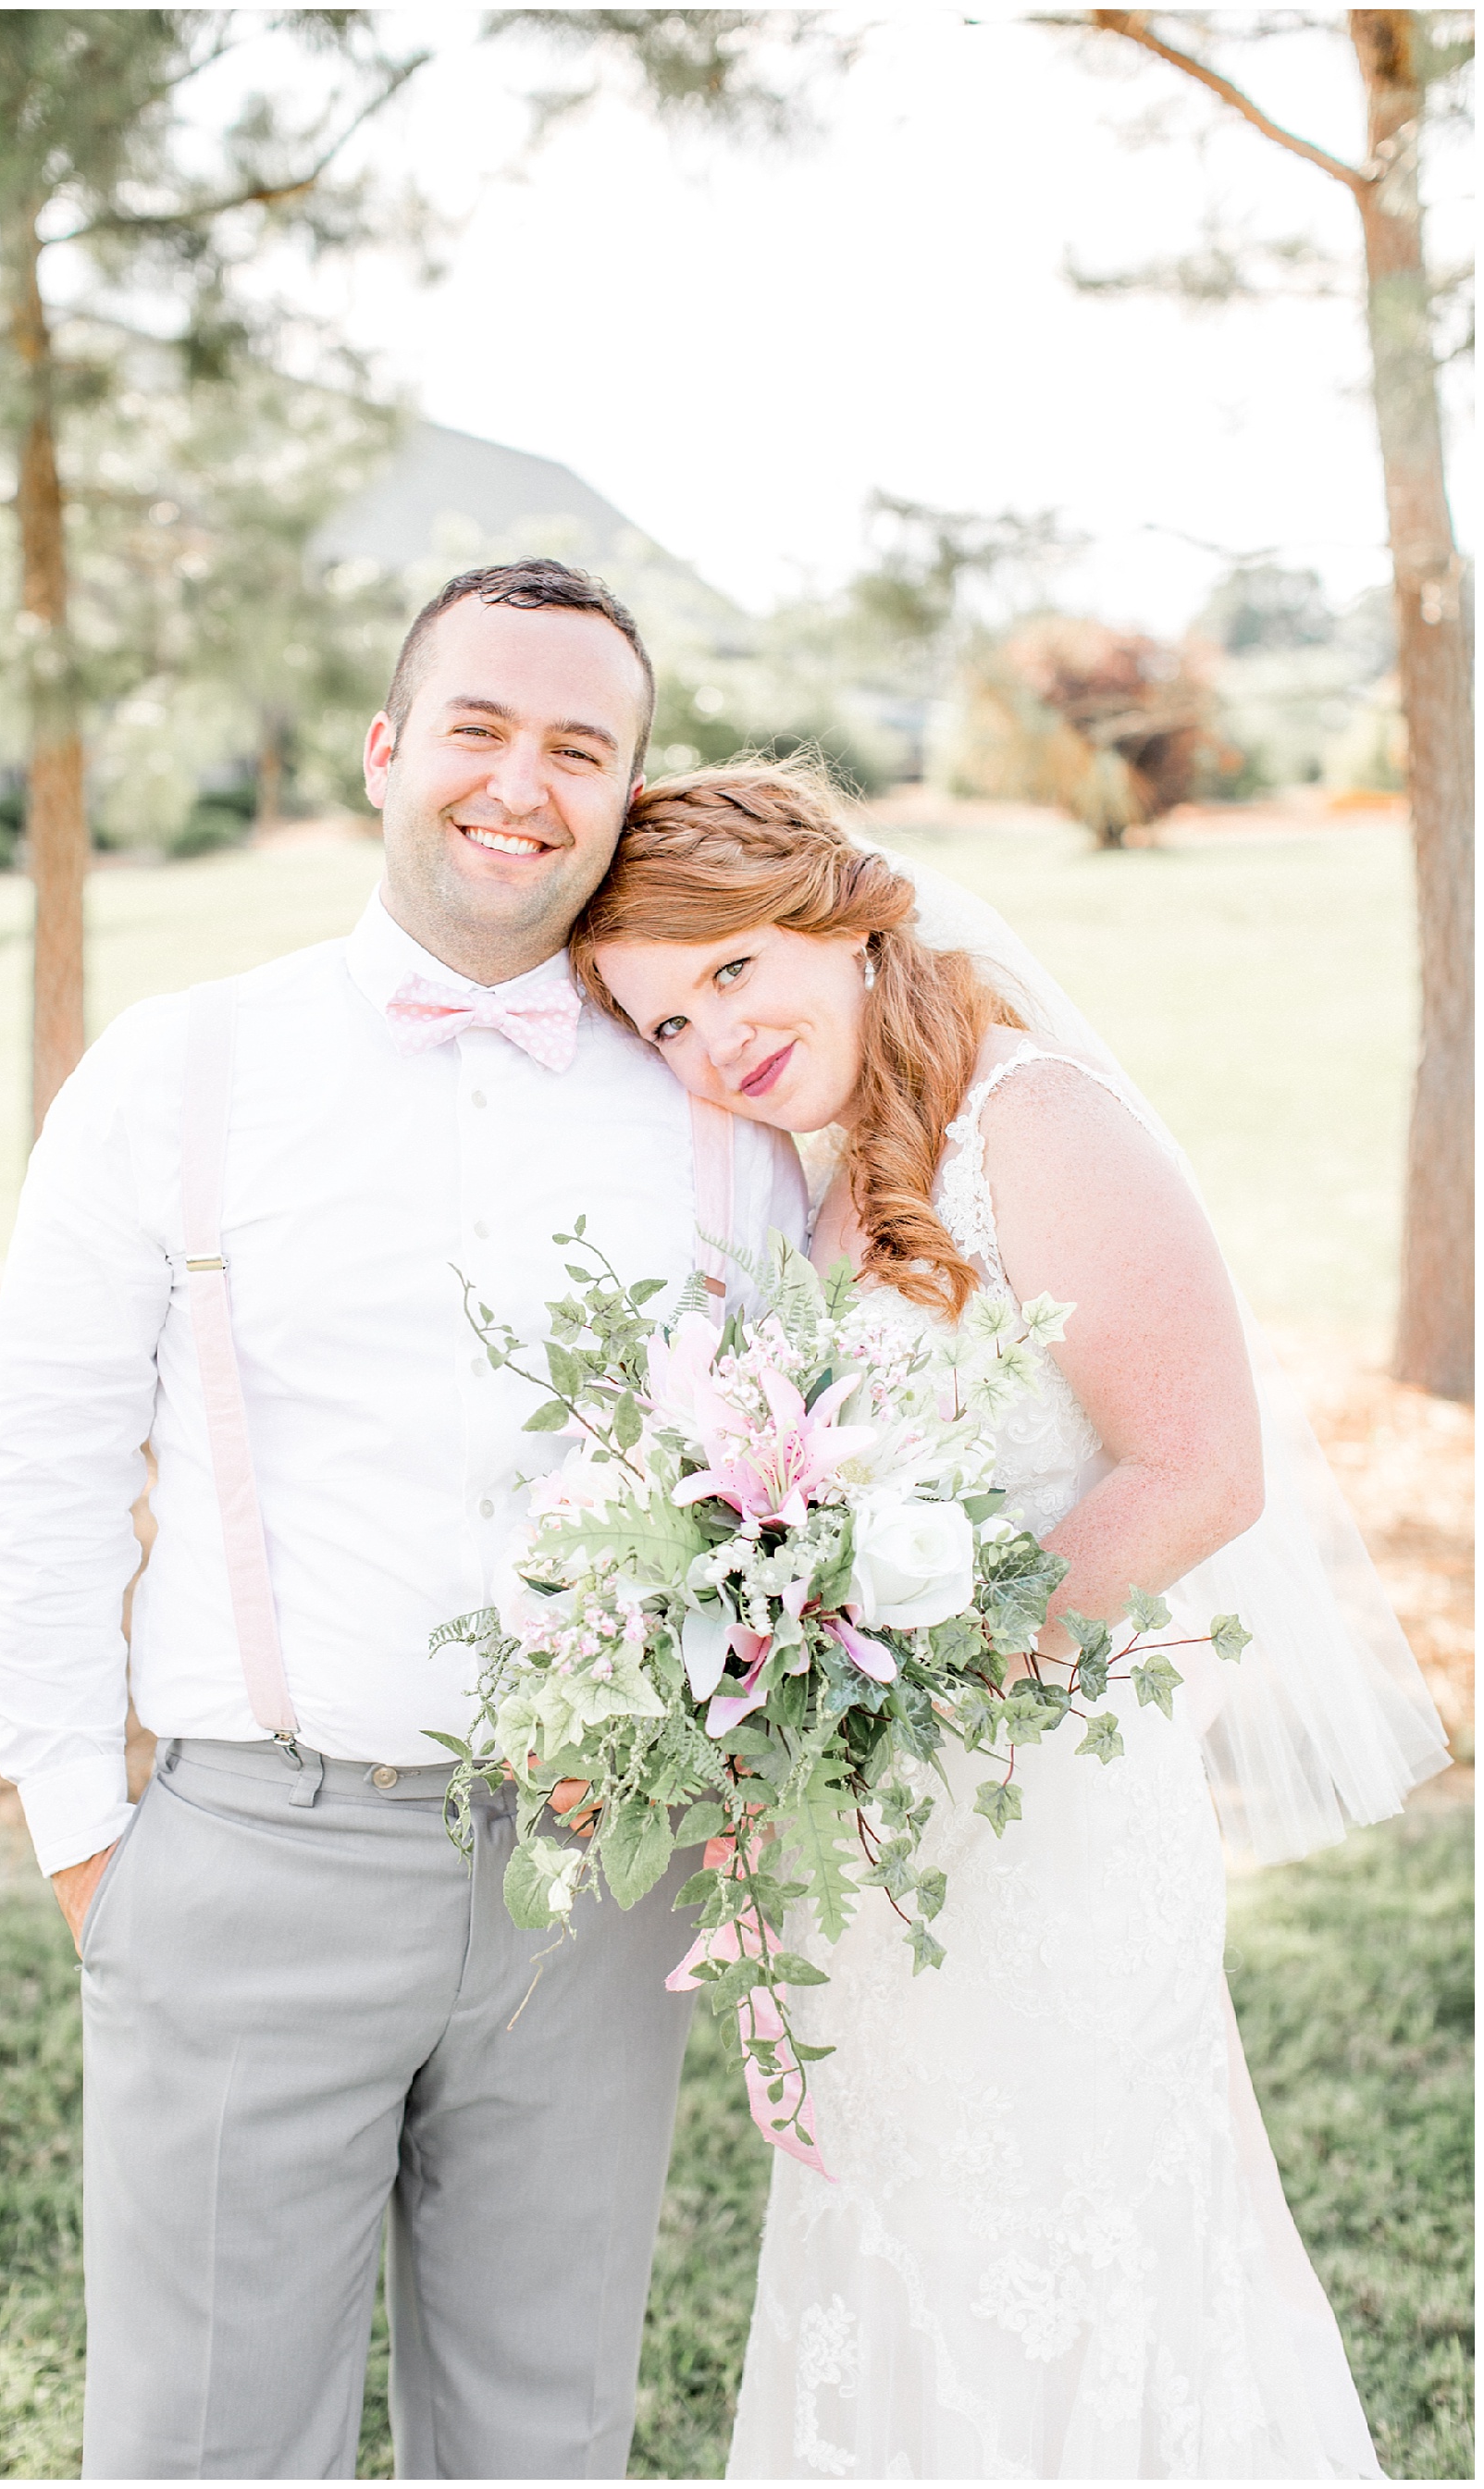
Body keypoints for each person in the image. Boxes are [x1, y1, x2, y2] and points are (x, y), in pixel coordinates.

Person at [0, 561, 807, 2482]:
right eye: (480, 729)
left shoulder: (716, 1109)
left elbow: (789, 1461)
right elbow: (44, 1466)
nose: (522, 783)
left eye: (579, 749)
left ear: (625, 793)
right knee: (200, 2448)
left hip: (596, 1882)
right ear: (385, 751)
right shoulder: (182, 1069)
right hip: (255, 1850)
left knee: (543, 2439)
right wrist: (88, 1837)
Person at [571, 758, 1449, 2481]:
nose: (714, 1042)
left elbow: (1200, 1467)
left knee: (1075, 2253)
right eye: (666, 1022)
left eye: (731, 969)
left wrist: (928, 1685)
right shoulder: (818, 1185)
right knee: (899, 2259)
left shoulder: (1031, 1118)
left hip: (1046, 1829)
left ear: (829, 909)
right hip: (886, 1864)